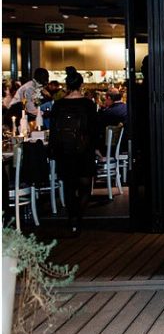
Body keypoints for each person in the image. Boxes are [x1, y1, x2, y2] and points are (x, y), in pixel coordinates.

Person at [48, 67, 98, 235]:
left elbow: (53, 130)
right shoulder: (88, 104)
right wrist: (96, 148)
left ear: (67, 85)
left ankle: (72, 218)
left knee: (69, 186)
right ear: (81, 85)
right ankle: (78, 216)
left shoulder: (58, 105)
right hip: (84, 150)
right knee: (85, 186)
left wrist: (53, 149)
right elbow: (94, 129)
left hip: (64, 150)